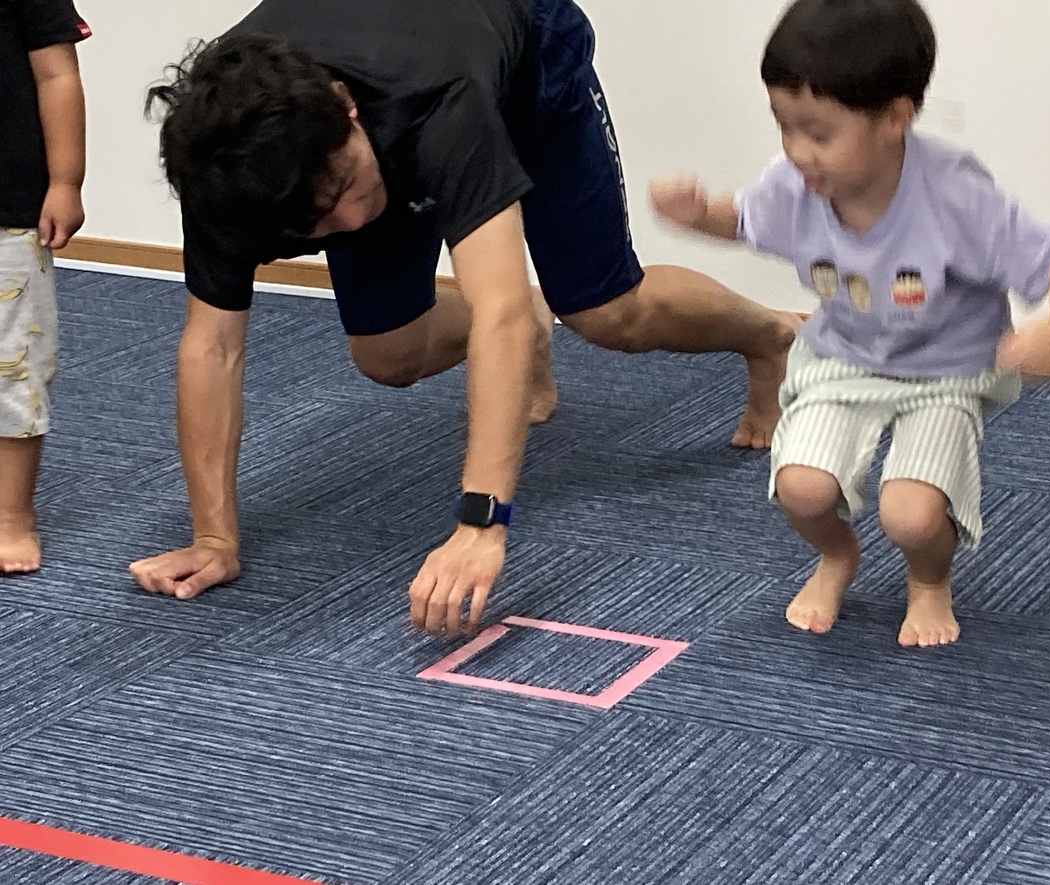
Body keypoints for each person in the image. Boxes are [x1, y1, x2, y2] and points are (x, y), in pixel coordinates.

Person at [129, 0, 799, 636]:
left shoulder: (438, 103)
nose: (353, 221)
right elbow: (212, 347)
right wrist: (213, 537)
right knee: (388, 354)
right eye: (318, 221)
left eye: (345, 188)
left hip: (523, 58)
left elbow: (496, 314)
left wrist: (481, 524)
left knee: (603, 311)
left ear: (345, 106)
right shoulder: (230, 170)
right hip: (386, 114)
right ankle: (526, 322)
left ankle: (771, 336)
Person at [650, 0, 1050, 647]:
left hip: (944, 371)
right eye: (784, 126)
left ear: (895, 118)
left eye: (818, 133)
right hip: (842, 358)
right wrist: (698, 215)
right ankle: (837, 555)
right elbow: (743, 218)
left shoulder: (953, 194)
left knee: (911, 514)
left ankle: (929, 580)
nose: (797, 151)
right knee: (801, 488)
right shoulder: (795, 184)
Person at [0, 0, 90, 572]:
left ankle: (10, 515)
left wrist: (66, 180)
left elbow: (58, 74)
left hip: (8, 212)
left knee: (12, 367)